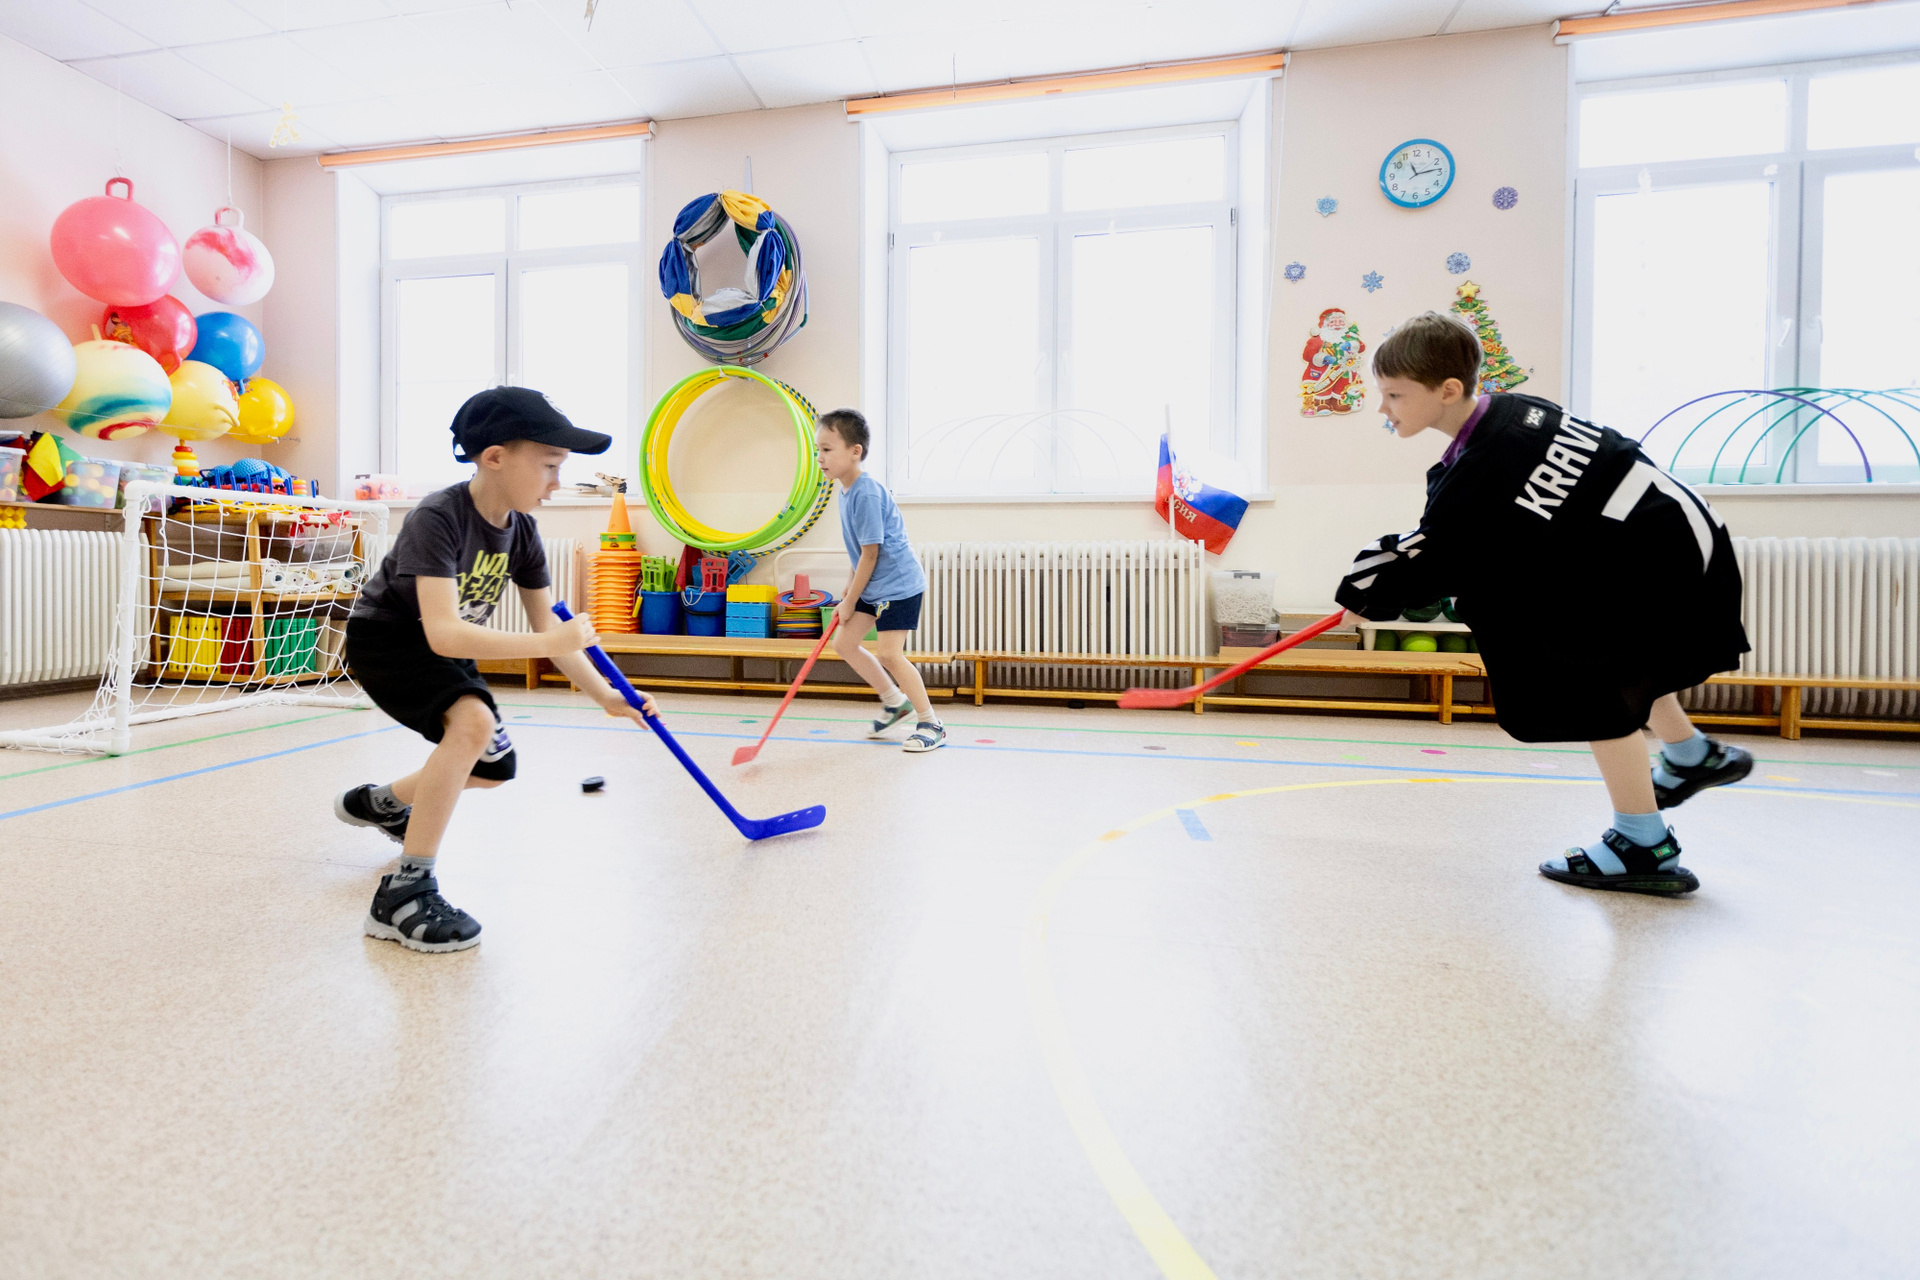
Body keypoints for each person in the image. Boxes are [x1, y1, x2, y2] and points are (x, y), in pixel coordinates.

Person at [1335, 312, 1753, 895]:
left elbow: (1438, 551)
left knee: (1590, 680)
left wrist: (1364, 594)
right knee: (1612, 658)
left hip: (1661, 563)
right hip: (1674, 543)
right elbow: (1478, 533)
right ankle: (1690, 755)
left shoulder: (1489, 462)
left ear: (1448, 390)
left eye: (1394, 394)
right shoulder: (1513, 414)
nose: (1383, 409)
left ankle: (1643, 845)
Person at [335, 387, 656, 952]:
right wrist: (548, 639)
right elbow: (443, 631)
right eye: (550, 465)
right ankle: (405, 892)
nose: (556, 482)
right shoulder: (438, 517)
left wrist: (606, 695)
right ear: (495, 457)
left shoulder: (522, 531)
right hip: (389, 641)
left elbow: (552, 634)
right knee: (474, 725)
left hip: (443, 649)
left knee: (493, 768)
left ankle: (382, 802)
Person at [814, 408, 943, 752]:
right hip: (872, 583)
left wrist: (849, 601)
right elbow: (860, 550)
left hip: (898, 586)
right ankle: (894, 701)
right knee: (844, 644)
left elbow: (872, 553)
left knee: (889, 654)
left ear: (855, 451)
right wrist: (849, 587)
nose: (820, 458)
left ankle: (931, 722)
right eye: (817, 450)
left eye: (827, 449)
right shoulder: (845, 491)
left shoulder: (866, 492)